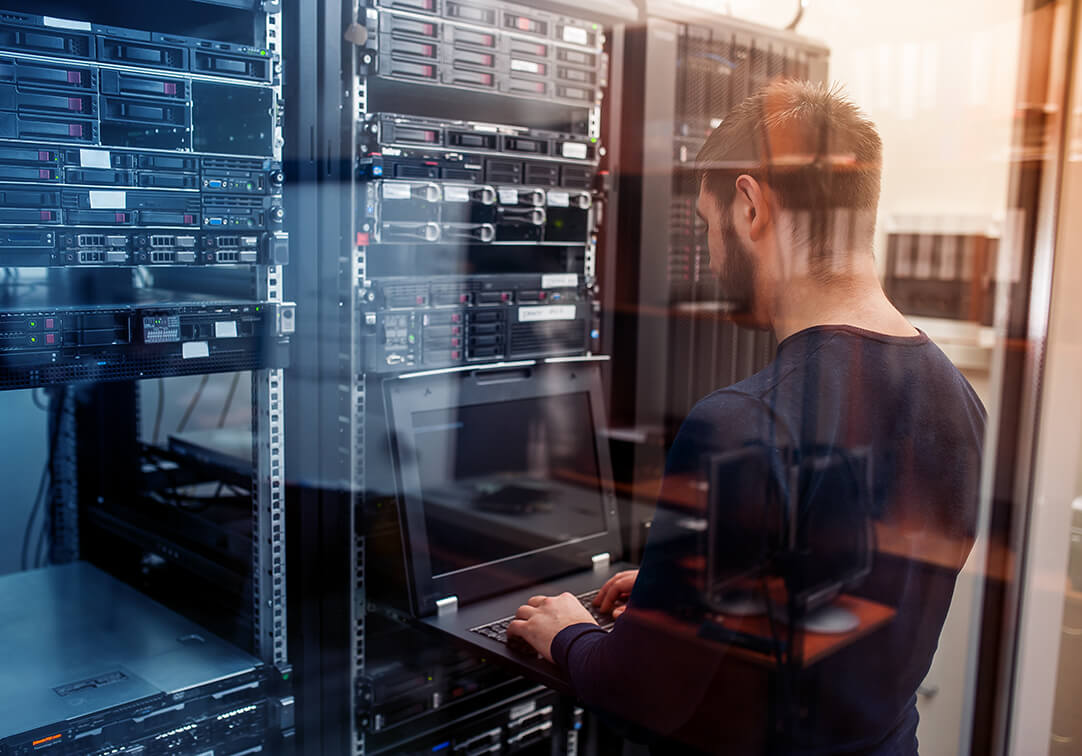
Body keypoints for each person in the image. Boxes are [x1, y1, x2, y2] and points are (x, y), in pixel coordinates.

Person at [506, 80, 986, 754]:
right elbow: (842, 591)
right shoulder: (958, 398)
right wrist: (682, 593)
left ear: (751, 204)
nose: (708, 253)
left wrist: (568, 632)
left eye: (706, 224)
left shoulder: (740, 423)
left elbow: (646, 695)